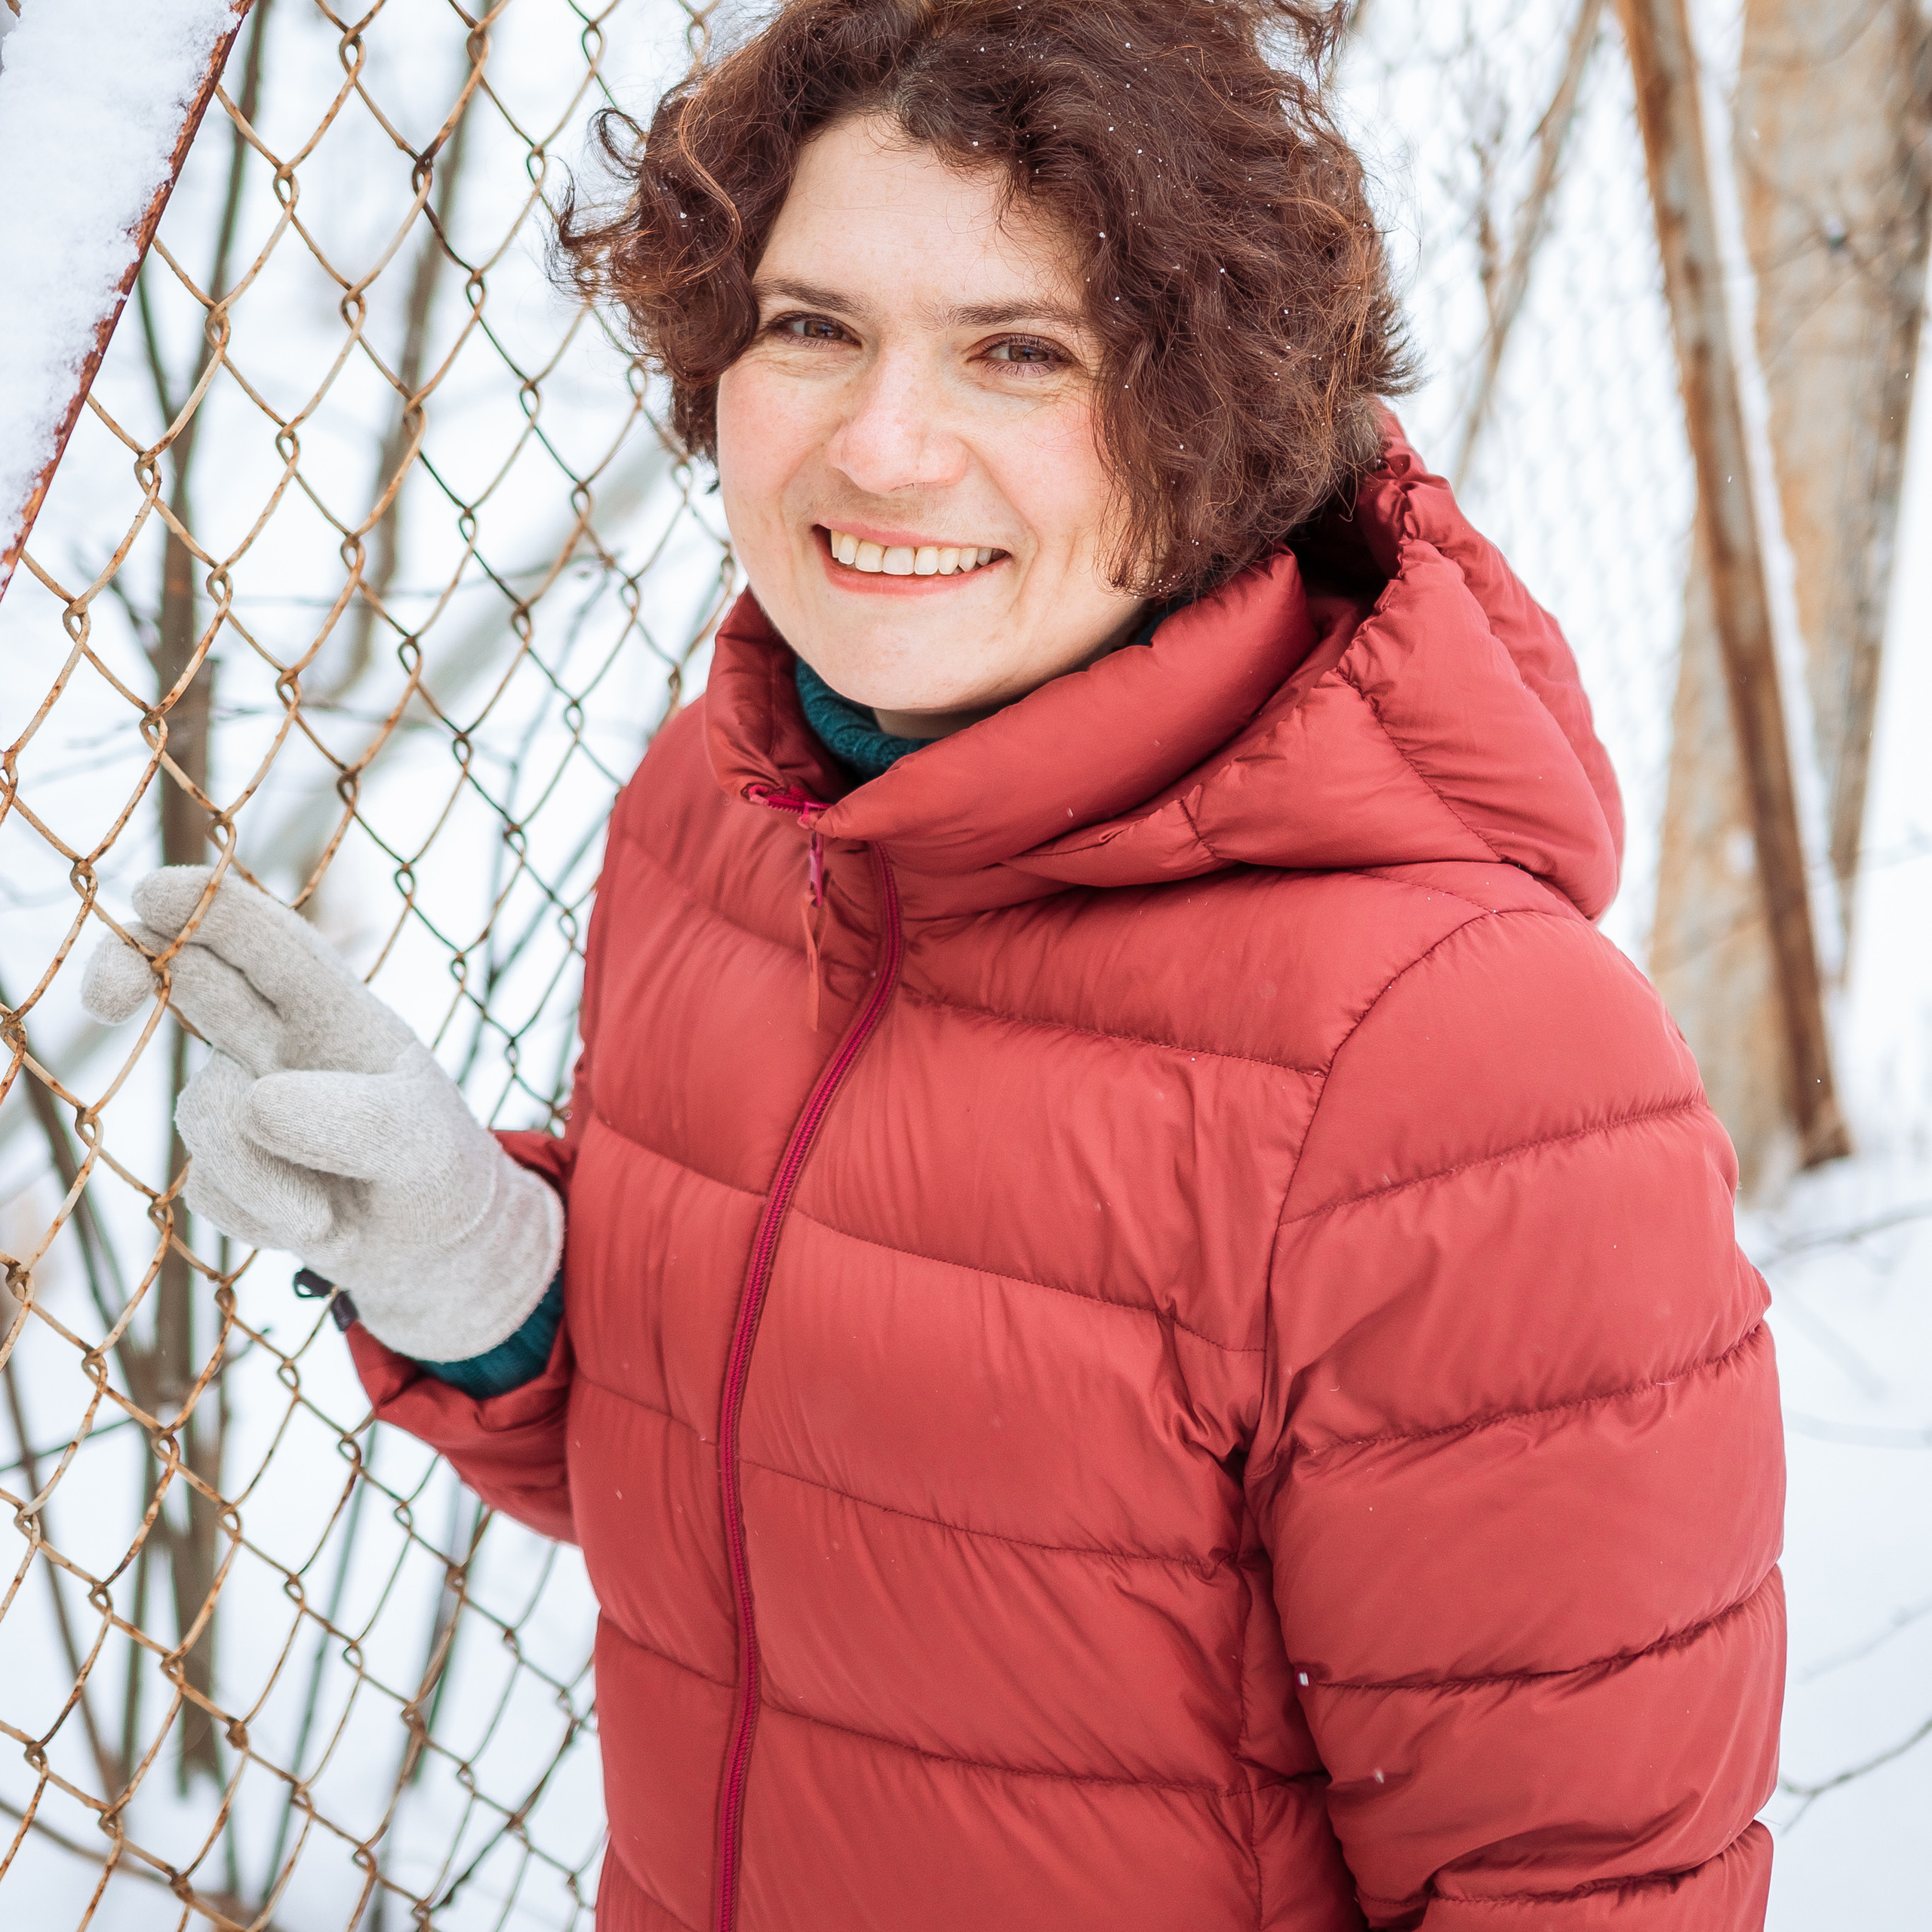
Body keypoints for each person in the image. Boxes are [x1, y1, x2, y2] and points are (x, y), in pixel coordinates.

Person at [84, 2, 1785, 1927]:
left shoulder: (1462, 1063)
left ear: (1205, 403)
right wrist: (486, 1275)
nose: (881, 445)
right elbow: (808, 1512)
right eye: (809, 325)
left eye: (1020, 349)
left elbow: (1575, 1887)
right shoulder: (723, 823)